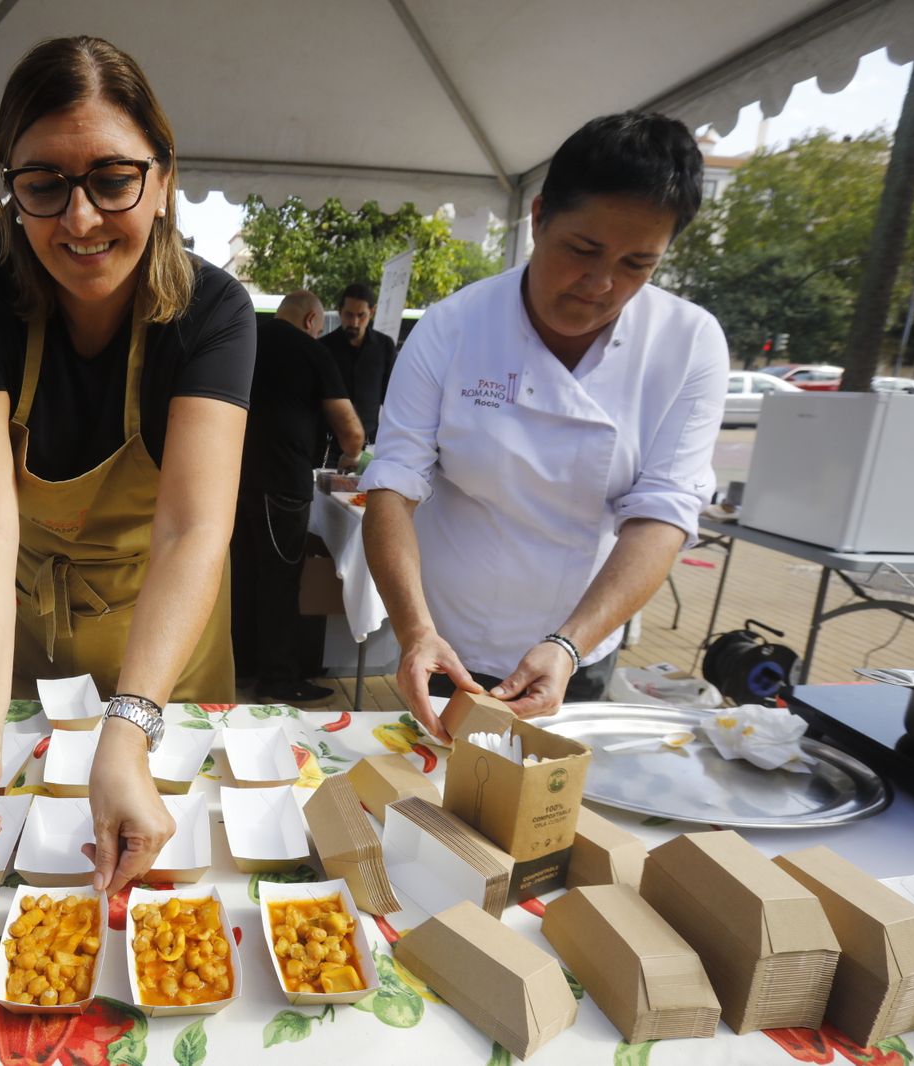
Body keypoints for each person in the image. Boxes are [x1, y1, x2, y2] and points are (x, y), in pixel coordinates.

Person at [0, 36, 255, 897]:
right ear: (10, 188)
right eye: (45, 185)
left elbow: (191, 526)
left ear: (163, 179)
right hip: (15, 644)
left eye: (112, 179)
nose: (82, 219)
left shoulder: (212, 310)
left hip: (162, 654)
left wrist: (128, 731)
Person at [362, 112, 727, 737]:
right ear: (537, 219)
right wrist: (414, 630)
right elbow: (392, 484)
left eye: (638, 264)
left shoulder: (689, 344)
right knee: (428, 811)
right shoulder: (453, 328)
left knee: (547, 820)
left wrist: (568, 644)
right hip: (446, 640)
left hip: (576, 649)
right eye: (582, 250)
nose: (601, 284)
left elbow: (664, 512)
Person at [233, 290, 364, 703]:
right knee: (280, 581)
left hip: (235, 479)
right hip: (282, 484)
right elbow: (351, 431)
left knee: (243, 577)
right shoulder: (312, 351)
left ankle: (241, 665)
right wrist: (350, 458)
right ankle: (278, 679)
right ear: (312, 320)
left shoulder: (245, 338)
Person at [321, 281, 398, 445]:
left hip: (370, 443)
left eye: (361, 315)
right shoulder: (323, 348)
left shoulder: (385, 346)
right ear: (339, 311)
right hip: (330, 443)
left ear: (372, 312)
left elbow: (392, 397)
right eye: (349, 314)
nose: (354, 322)